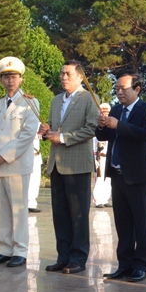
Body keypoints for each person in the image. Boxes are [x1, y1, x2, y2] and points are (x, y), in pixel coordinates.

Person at [96, 72, 146, 282]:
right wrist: (102, 126)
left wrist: (117, 125)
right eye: (117, 89)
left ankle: (141, 265)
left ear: (137, 89)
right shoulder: (115, 110)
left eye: (124, 88)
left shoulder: (145, 109)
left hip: (138, 175)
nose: (119, 92)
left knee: (141, 222)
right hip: (117, 174)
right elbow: (104, 136)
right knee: (122, 223)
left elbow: (145, 134)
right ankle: (124, 264)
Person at [0, 57, 41, 268]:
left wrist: (4, 156)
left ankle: (20, 250)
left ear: (20, 78)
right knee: (0, 209)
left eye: (14, 76)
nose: (10, 80)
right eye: (6, 77)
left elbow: (26, 135)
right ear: (1, 80)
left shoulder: (30, 102)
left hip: (15, 165)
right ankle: (5, 249)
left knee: (17, 209)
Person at [43, 61, 101, 275]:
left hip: (77, 165)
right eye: (62, 73)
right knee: (60, 214)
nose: (63, 77)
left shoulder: (89, 98)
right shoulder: (57, 100)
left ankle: (78, 257)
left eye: (68, 74)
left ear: (80, 77)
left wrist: (64, 138)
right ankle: (63, 256)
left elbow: (91, 128)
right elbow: (53, 126)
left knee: (78, 214)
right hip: (57, 165)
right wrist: (47, 130)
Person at [93, 103, 112, 208]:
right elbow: (92, 145)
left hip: (108, 156)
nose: (105, 116)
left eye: (107, 114)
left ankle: (105, 199)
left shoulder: (110, 128)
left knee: (108, 179)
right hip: (99, 157)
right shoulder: (98, 129)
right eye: (103, 114)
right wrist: (94, 158)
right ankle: (98, 200)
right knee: (99, 179)